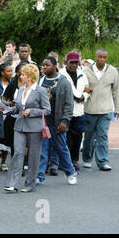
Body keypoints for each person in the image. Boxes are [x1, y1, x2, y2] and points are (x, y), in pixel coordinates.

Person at [3, 64, 50, 193]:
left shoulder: (40, 91)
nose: (21, 76)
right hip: (19, 125)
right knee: (17, 153)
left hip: (35, 127)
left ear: (29, 77)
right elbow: (18, 108)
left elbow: (47, 110)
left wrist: (32, 111)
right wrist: (6, 109)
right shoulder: (20, 89)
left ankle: (30, 184)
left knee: (33, 155)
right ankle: (13, 183)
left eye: (23, 75)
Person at [37, 56, 77, 186]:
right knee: (42, 150)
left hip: (57, 122)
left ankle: (70, 172)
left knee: (61, 148)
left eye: (47, 65)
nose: (44, 67)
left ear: (55, 66)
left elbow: (69, 103)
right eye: (43, 65)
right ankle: (40, 176)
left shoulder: (63, 81)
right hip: (43, 121)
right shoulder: (41, 81)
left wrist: (65, 121)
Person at [82, 49, 119, 171]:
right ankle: (87, 158)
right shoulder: (86, 71)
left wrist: (117, 109)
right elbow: (81, 86)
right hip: (89, 110)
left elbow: (116, 92)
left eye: (104, 57)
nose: (102, 59)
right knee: (89, 136)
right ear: (95, 57)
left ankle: (103, 161)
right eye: (100, 57)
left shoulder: (113, 71)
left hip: (105, 110)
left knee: (102, 136)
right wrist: (85, 89)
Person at [59, 52, 89, 171]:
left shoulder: (82, 74)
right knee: (65, 138)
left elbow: (88, 89)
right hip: (65, 111)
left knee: (77, 137)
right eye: (72, 63)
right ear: (67, 62)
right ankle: (64, 161)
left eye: (76, 63)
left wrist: (84, 96)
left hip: (79, 110)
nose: (74, 65)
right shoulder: (61, 74)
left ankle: (74, 159)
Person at [0, 63, 13, 171]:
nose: (11, 73)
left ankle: (4, 162)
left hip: (9, 114)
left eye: (11, 71)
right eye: (8, 71)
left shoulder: (13, 83)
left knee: (6, 137)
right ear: (2, 73)